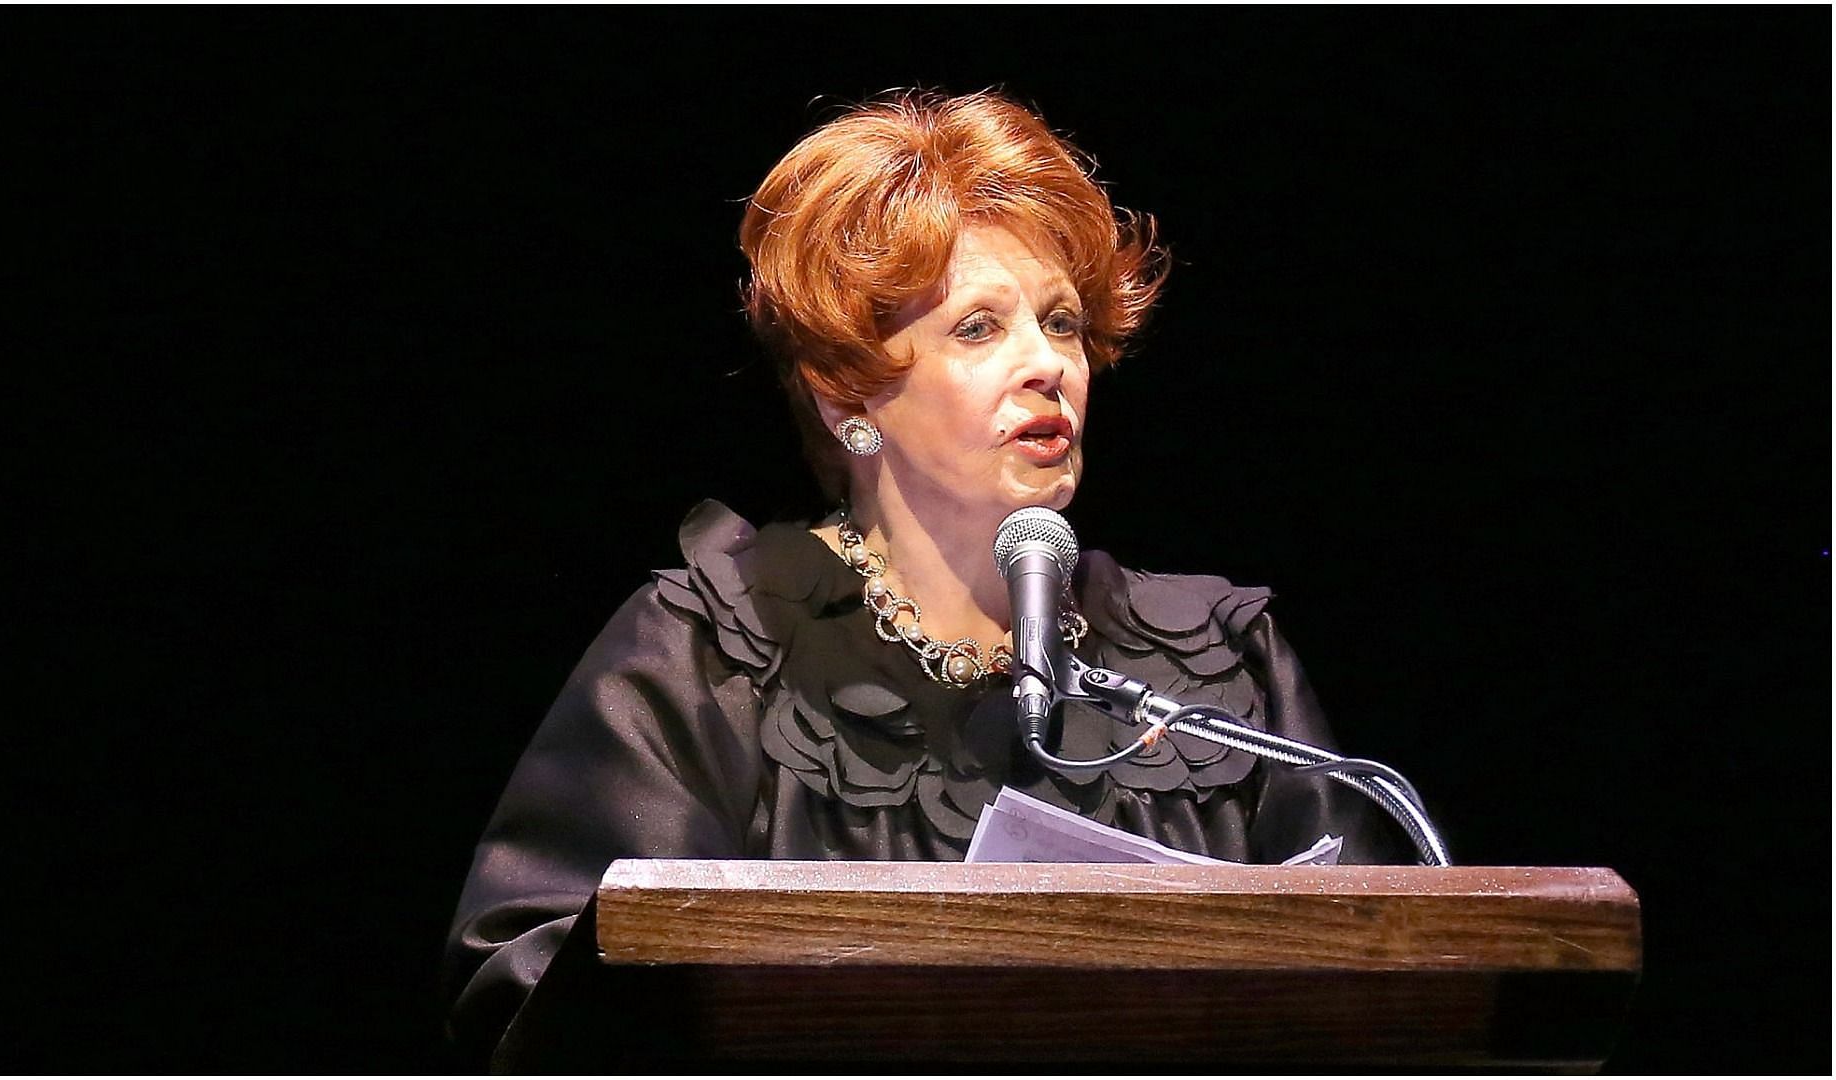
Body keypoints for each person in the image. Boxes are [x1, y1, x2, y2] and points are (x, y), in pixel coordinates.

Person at [444, 89, 1409, 1064]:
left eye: (1064, 322)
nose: (1048, 365)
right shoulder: (715, 651)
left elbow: (1396, 989)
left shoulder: (1215, 662)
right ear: (845, 391)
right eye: (980, 328)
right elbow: (528, 979)